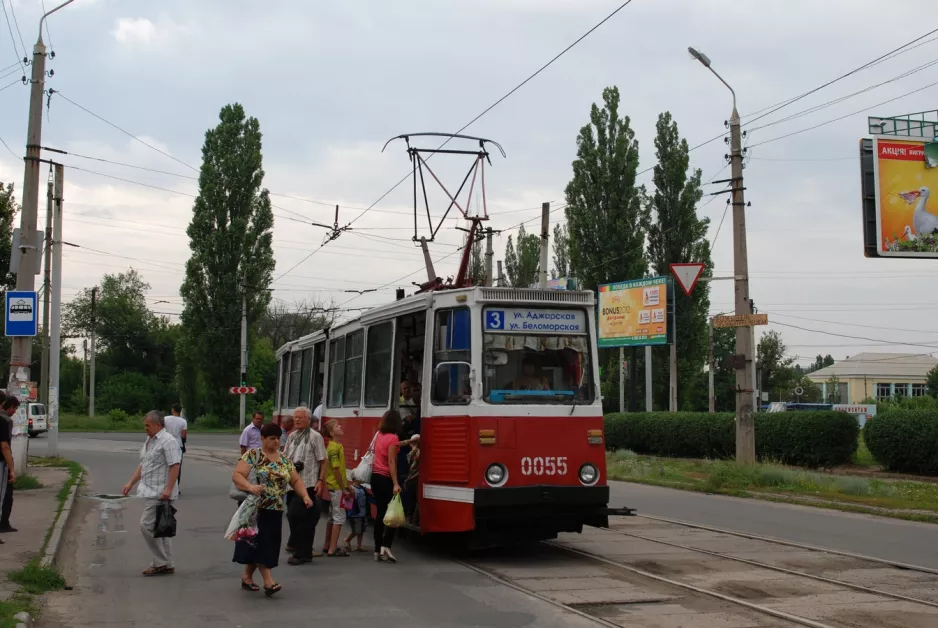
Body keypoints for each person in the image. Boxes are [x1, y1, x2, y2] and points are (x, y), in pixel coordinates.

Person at [232, 422, 312, 596]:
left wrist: (305, 496)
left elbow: (295, 480)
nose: (276, 441)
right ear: (262, 439)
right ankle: (269, 582)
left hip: (275, 509)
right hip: (255, 509)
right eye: (272, 438)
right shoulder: (253, 455)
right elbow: (237, 475)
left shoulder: (284, 459)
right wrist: (250, 487)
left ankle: (247, 577)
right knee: (262, 544)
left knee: (263, 544)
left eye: (278, 438)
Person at [121, 411, 182, 576]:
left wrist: (168, 489)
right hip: (151, 489)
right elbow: (144, 464)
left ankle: (160, 562)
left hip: (161, 492)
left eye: (147, 425)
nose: (145, 428)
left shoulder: (168, 441)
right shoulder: (150, 440)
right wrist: (130, 483)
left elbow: (175, 465)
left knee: (146, 525)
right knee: (162, 528)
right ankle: (168, 563)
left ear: (157, 425)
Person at [282, 406, 327, 565]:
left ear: (308, 420)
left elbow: (323, 460)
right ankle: (303, 551)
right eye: (295, 417)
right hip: (292, 484)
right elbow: (285, 457)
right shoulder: (292, 436)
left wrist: (321, 481)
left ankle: (301, 553)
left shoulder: (315, 437)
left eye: (300, 417)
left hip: (308, 484)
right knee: (295, 517)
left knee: (299, 516)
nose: (297, 420)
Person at [371, 410, 416, 563]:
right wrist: (396, 483)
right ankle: (387, 545)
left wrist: (409, 441)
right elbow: (391, 462)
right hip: (386, 478)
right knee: (392, 514)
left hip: (375, 477)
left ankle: (377, 550)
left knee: (380, 513)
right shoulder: (393, 437)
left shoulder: (379, 435)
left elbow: (394, 445)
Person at [321, 419, 351, 557]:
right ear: (332, 433)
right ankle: (333, 549)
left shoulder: (336, 446)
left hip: (334, 486)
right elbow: (336, 470)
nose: (341, 427)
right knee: (339, 518)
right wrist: (344, 488)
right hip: (336, 487)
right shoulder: (334, 448)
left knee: (332, 517)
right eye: (337, 426)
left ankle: (328, 545)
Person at [0, 395, 16, 541]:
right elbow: (5, 446)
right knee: (4, 495)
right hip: (1, 462)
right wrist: (11, 467)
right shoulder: (5, 421)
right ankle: (3, 524)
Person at [163, 403, 187, 493]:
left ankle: (165, 486)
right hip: (178, 445)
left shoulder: (165, 419)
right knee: (177, 466)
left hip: (166, 444)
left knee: (166, 465)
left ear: (172, 410)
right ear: (180, 411)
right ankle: (176, 487)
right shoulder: (183, 421)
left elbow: (162, 430)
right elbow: (184, 435)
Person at [344, 478, 367, 553]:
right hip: (355, 514)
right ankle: (347, 540)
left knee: (361, 530)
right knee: (357, 530)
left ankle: (359, 545)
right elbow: (347, 503)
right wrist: (352, 494)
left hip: (363, 512)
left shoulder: (362, 488)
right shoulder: (350, 488)